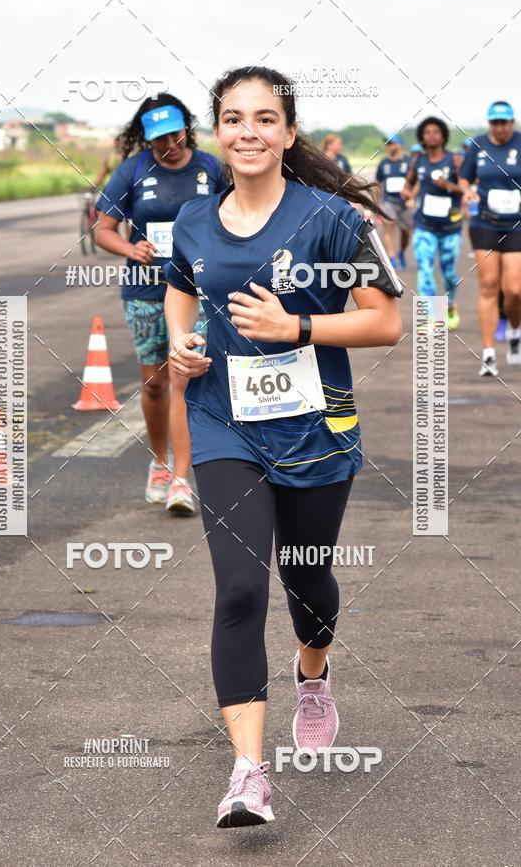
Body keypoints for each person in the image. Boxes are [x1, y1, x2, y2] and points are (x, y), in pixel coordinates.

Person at [164, 65, 402, 828]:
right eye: (234, 119)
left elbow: (385, 321)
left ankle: (314, 672)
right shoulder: (195, 220)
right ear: (219, 134)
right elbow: (179, 284)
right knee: (239, 589)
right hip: (221, 422)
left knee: (307, 586)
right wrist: (181, 345)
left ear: (288, 133)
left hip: (314, 430)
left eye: (265, 119)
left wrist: (295, 327)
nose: (249, 132)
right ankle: (248, 774)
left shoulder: (332, 219)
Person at [95, 95, 226, 511]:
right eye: (157, 139)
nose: (166, 144)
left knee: (185, 380)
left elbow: (239, 213)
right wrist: (129, 250)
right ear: (147, 139)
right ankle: (159, 462)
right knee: (155, 384)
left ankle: (182, 480)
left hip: (198, 291)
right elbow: (103, 229)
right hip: (146, 290)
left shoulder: (210, 168)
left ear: (185, 128)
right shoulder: (132, 170)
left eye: (173, 134)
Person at [459, 101, 521, 376]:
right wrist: (468, 192)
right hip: (484, 223)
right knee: (488, 285)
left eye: (504, 122)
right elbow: (464, 178)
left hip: (516, 225)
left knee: (514, 290)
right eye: (495, 123)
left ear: (512, 123)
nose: (499, 128)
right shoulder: (478, 146)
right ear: (489, 124)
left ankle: (515, 331)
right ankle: (488, 354)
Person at [402, 116, 464, 330]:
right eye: (427, 132)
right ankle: (432, 317)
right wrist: (406, 192)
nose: (431, 136)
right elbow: (409, 182)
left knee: (449, 274)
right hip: (424, 226)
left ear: (443, 135)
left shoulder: (455, 160)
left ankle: (451, 306)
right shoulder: (418, 161)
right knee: (425, 270)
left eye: (436, 132)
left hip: (450, 227)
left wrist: (447, 185)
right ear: (422, 136)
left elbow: (465, 189)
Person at [375, 135, 411, 269]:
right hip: (389, 201)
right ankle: (392, 258)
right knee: (388, 229)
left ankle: (402, 252)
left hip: (405, 203)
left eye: (392, 143)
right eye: (388, 144)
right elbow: (377, 184)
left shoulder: (408, 161)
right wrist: (376, 205)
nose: (390, 146)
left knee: (406, 232)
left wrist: (412, 197)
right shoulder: (383, 163)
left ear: (399, 145)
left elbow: (416, 181)